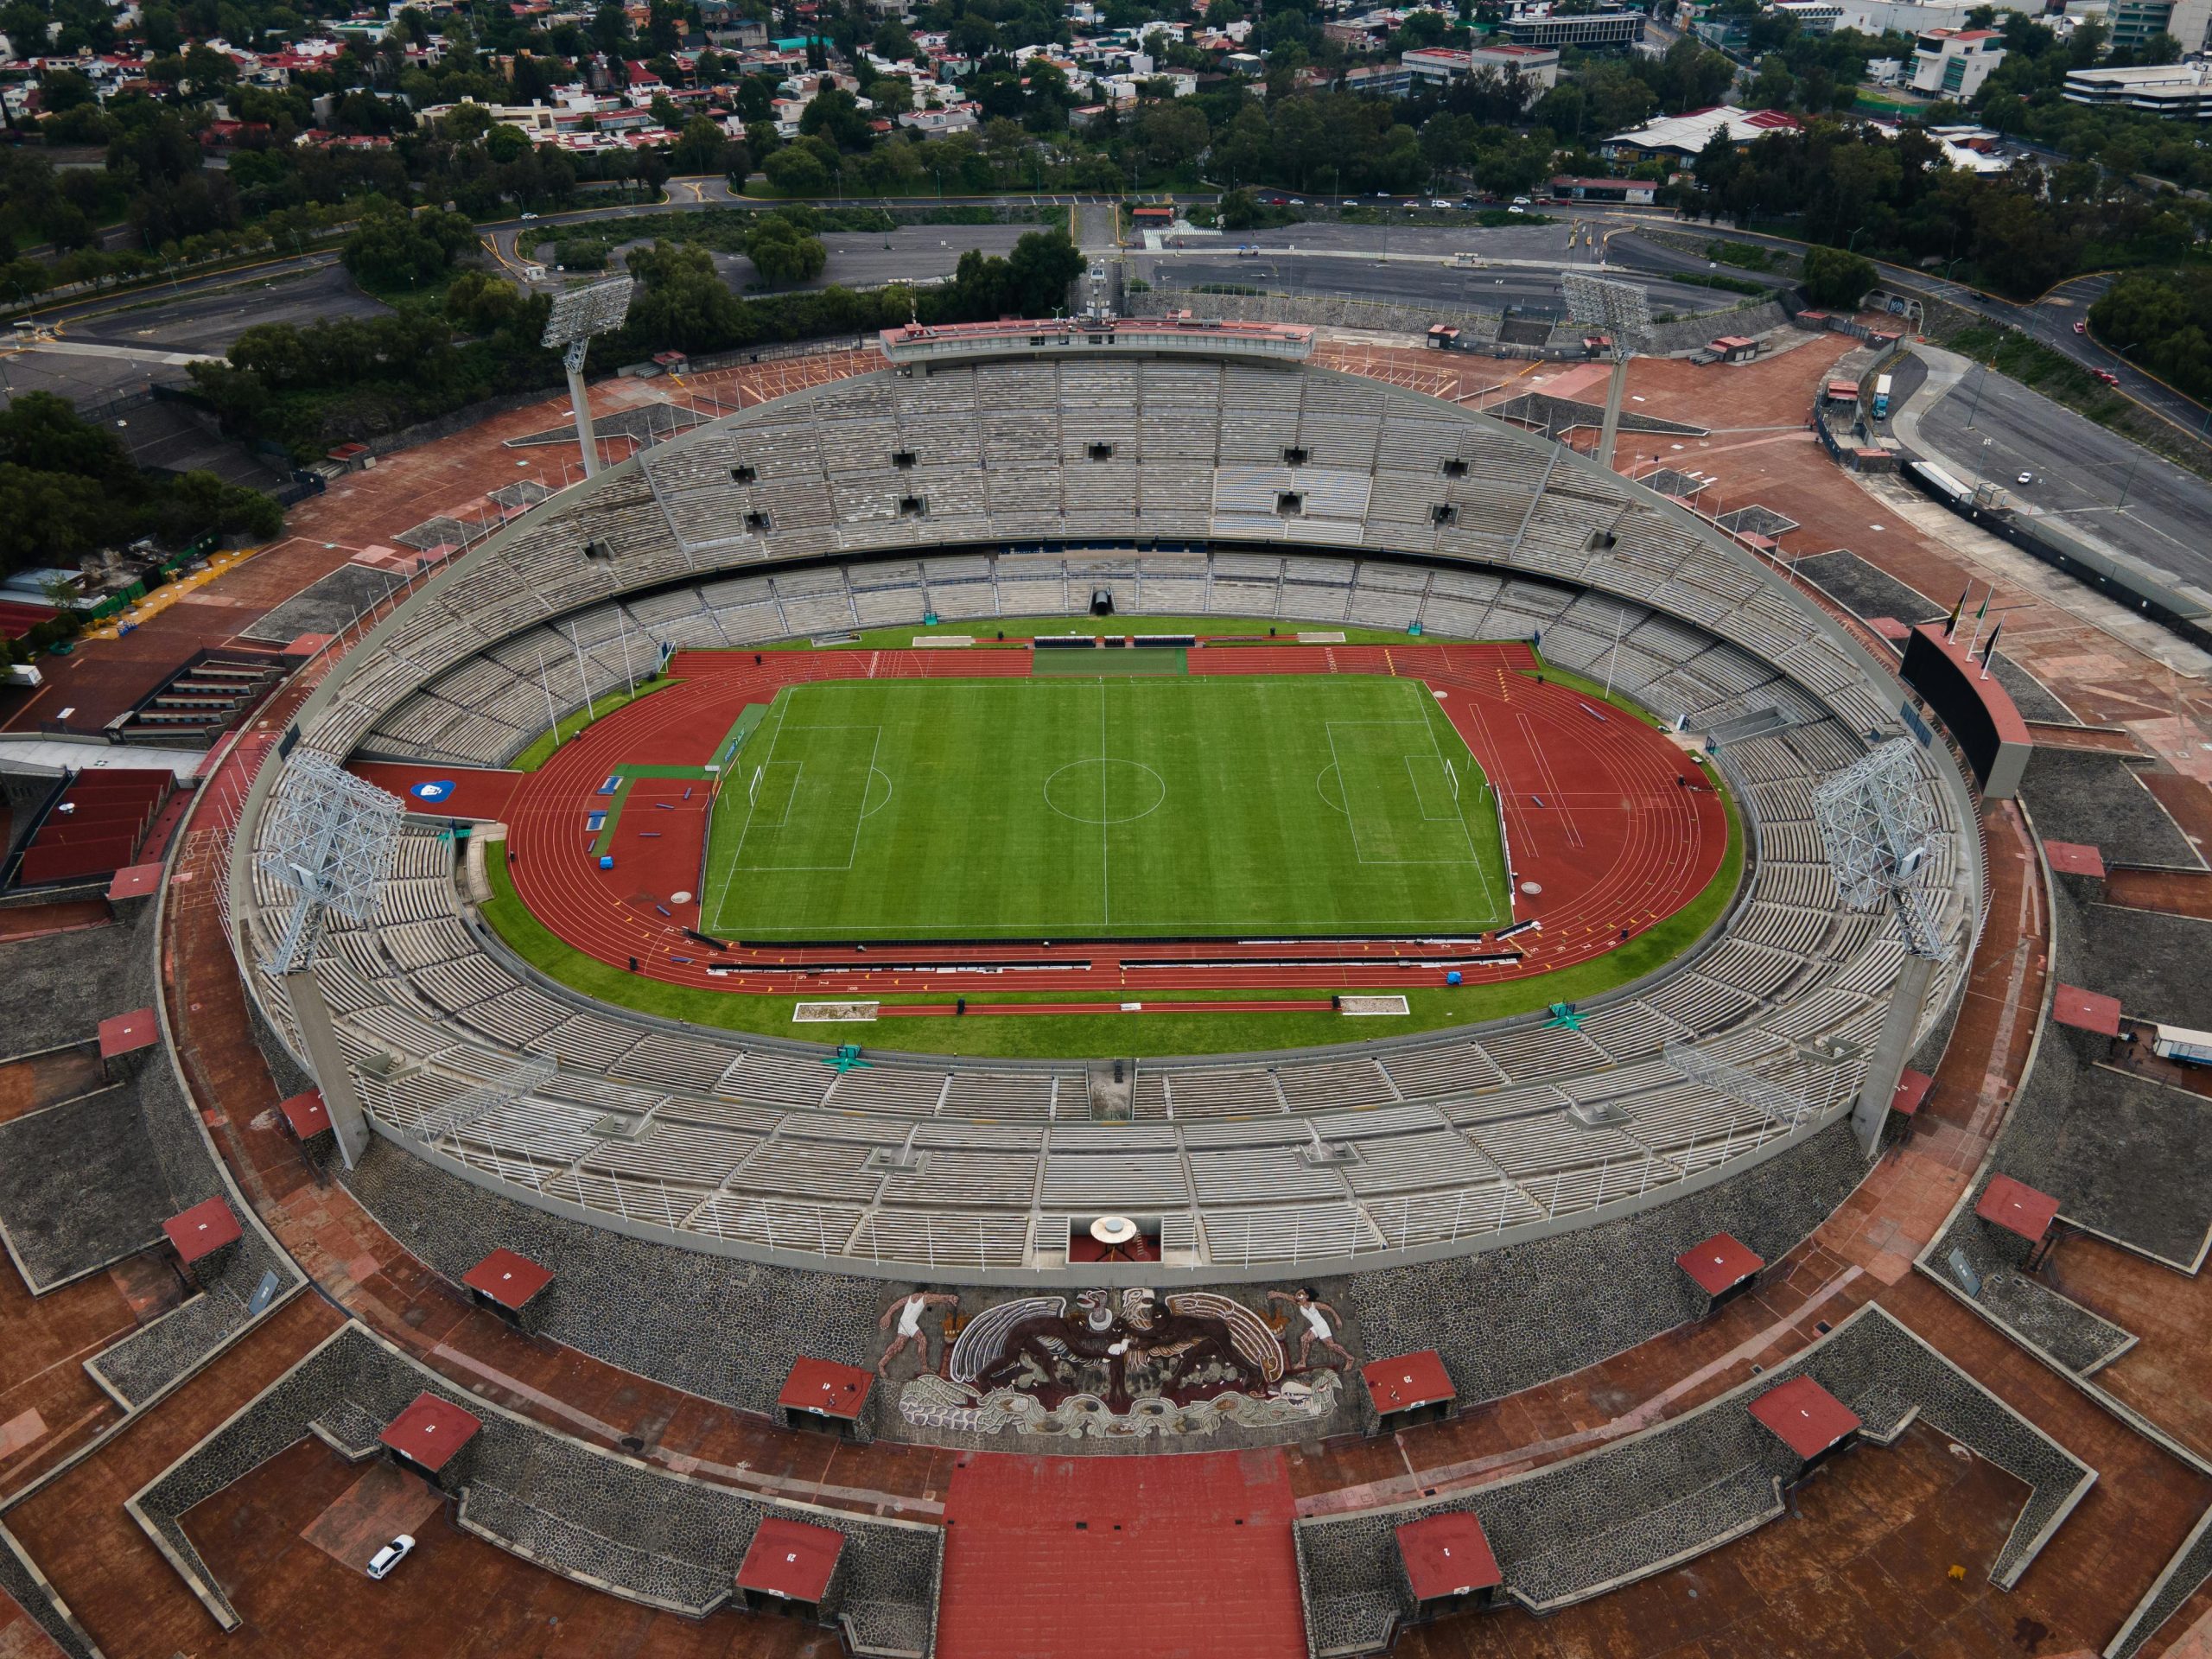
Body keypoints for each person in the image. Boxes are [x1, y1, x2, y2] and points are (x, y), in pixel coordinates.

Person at [1267, 1287, 1352, 1370]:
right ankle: (1302, 1363)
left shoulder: (1314, 1304)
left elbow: (1329, 1308)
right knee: (1304, 1339)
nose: (1297, 1296)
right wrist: (1276, 1294)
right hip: (1316, 1326)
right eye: (1297, 1294)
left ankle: (1349, 1358)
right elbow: (1288, 1297)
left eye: (1300, 1295)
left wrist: (1337, 1319)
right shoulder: (1300, 1304)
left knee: (1331, 1346)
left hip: (1322, 1326)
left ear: (1307, 1296)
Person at [878, 1290, 959, 1376]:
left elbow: (896, 1305)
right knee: (922, 1340)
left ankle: (881, 1364)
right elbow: (937, 1298)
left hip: (902, 1322)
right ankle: (924, 1367)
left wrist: (888, 1314)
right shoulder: (924, 1297)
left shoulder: (909, 1297)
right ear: (926, 1292)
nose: (930, 1296)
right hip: (909, 1323)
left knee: (898, 1346)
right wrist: (950, 1297)